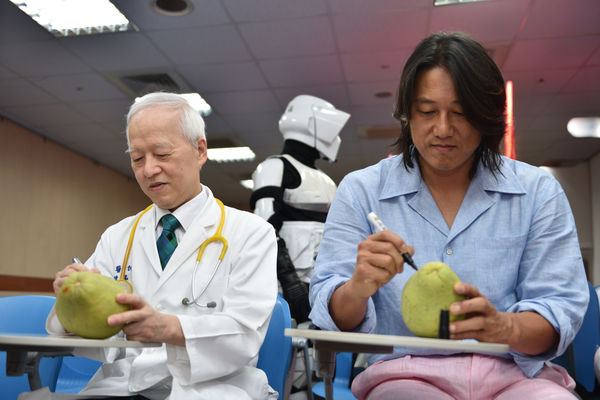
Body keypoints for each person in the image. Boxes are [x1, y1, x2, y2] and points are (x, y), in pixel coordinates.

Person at [308, 32, 589, 399]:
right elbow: (330, 318)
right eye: (427, 111)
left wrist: (505, 327)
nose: (442, 129)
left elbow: (559, 311)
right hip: (405, 375)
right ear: (406, 113)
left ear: (487, 117)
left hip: (514, 375)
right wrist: (357, 288)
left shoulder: (537, 192)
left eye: (460, 113)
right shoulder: (361, 192)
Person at [43, 92, 278, 399]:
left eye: (162, 154)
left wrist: (167, 328)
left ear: (200, 150)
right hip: (121, 387)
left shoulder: (252, 232)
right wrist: (69, 298)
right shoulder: (119, 236)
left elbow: (245, 334)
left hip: (211, 389)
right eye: (137, 158)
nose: (148, 169)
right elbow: (79, 331)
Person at [250, 95, 350, 324]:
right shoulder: (274, 166)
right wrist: (289, 280)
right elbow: (265, 228)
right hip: (283, 286)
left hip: (321, 282)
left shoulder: (325, 180)